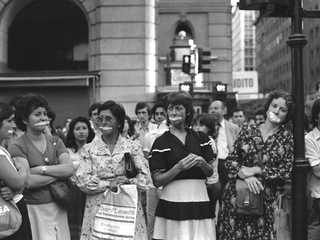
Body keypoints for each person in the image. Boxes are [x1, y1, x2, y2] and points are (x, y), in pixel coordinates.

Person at [218, 90, 295, 239]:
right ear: (268, 107)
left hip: (263, 203)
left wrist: (257, 170)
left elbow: (286, 171)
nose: (277, 111)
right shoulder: (248, 130)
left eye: (283, 109)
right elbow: (230, 161)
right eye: (274, 106)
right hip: (235, 198)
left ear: (287, 115)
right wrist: (246, 177)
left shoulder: (287, 139)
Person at [75, 100, 151, 240]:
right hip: (97, 209)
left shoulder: (132, 147)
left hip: (127, 211)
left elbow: (145, 180)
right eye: (100, 119)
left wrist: (128, 180)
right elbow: (82, 181)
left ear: (120, 122)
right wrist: (108, 184)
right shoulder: (89, 149)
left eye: (109, 119)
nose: (103, 122)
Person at [149, 91, 216, 240]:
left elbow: (210, 172)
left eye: (179, 108)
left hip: (199, 199)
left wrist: (202, 163)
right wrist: (178, 168)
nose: (174, 112)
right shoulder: (160, 142)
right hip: (173, 201)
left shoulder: (201, 138)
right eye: (170, 108)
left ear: (188, 111)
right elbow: (157, 180)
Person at [8, 93, 74, 240]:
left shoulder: (56, 141)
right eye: (37, 114)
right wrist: (59, 174)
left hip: (59, 206)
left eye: (45, 114)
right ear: (24, 119)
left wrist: (42, 170)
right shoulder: (17, 146)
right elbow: (29, 182)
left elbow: (69, 169)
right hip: (34, 208)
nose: (43, 118)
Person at [0, 102, 32, 240]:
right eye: (9, 120)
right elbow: (18, 181)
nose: (13, 125)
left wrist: (15, 190)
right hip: (9, 217)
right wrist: (22, 168)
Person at [65, 116, 95, 240]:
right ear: (72, 132)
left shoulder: (96, 148)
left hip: (92, 192)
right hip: (73, 192)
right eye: (78, 129)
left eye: (84, 128)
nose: (81, 131)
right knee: (74, 225)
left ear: (89, 130)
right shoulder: (66, 151)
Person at [143, 101, 168, 240]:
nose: (159, 116)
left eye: (162, 113)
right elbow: (148, 160)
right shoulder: (149, 136)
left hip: (169, 180)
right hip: (153, 181)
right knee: (151, 216)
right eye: (157, 114)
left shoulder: (172, 133)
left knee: (167, 215)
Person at [208, 100, 240, 195]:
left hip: (226, 164)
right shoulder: (206, 127)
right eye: (211, 109)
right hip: (211, 166)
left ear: (224, 110)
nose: (213, 111)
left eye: (216, 108)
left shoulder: (233, 128)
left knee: (227, 196)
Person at [193, 113, 221, 221]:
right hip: (211, 183)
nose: (197, 127)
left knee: (207, 217)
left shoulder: (208, 141)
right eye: (195, 125)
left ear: (209, 128)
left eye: (201, 125)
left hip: (211, 184)